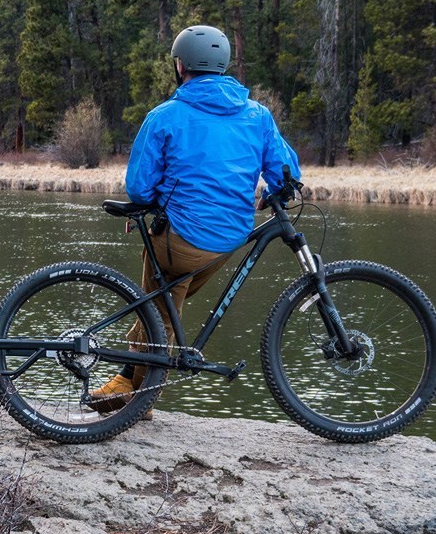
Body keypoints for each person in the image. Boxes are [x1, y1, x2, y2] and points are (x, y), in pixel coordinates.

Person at [88, 24, 300, 413]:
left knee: (159, 309)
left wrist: (151, 206)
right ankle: (125, 381)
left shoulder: (165, 115)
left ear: (180, 65)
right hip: (231, 241)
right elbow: (285, 171)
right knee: (164, 306)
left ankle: (140, 397)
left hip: (181, 241)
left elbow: (138, 187)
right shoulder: (257, 115)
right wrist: (278, 191)